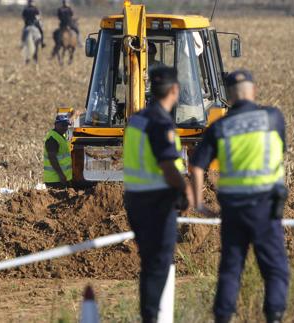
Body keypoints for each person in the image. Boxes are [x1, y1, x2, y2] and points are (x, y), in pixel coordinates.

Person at [190, 70, 288, 323]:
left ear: (229, 97)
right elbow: (281, 150)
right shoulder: (273, 118)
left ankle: (223, 318)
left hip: (233, 209)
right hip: (266, 206)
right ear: (253, 91)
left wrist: (200, 204)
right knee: (275, 268)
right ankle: (274, 317)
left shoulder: (220, 127)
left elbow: (197, 166)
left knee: (231, 269)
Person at [123, 66, 191, 323]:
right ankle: (150, 317)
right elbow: (167, 166)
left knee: (149, 264)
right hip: (157, 203)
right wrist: (184, 192)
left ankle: (148, 315)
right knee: (159, 264)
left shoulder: (137, 119)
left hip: (134, 200)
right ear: (175, 90)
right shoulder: (160, 123)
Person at [43, 115, 72, 189]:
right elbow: (52, 158)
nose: (65, 128)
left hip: (60, 179)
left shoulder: (61, 136)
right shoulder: (53, 139)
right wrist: (61, 175)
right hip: (55, 180)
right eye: (63, 125)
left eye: (66, 125)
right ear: (56, 124)